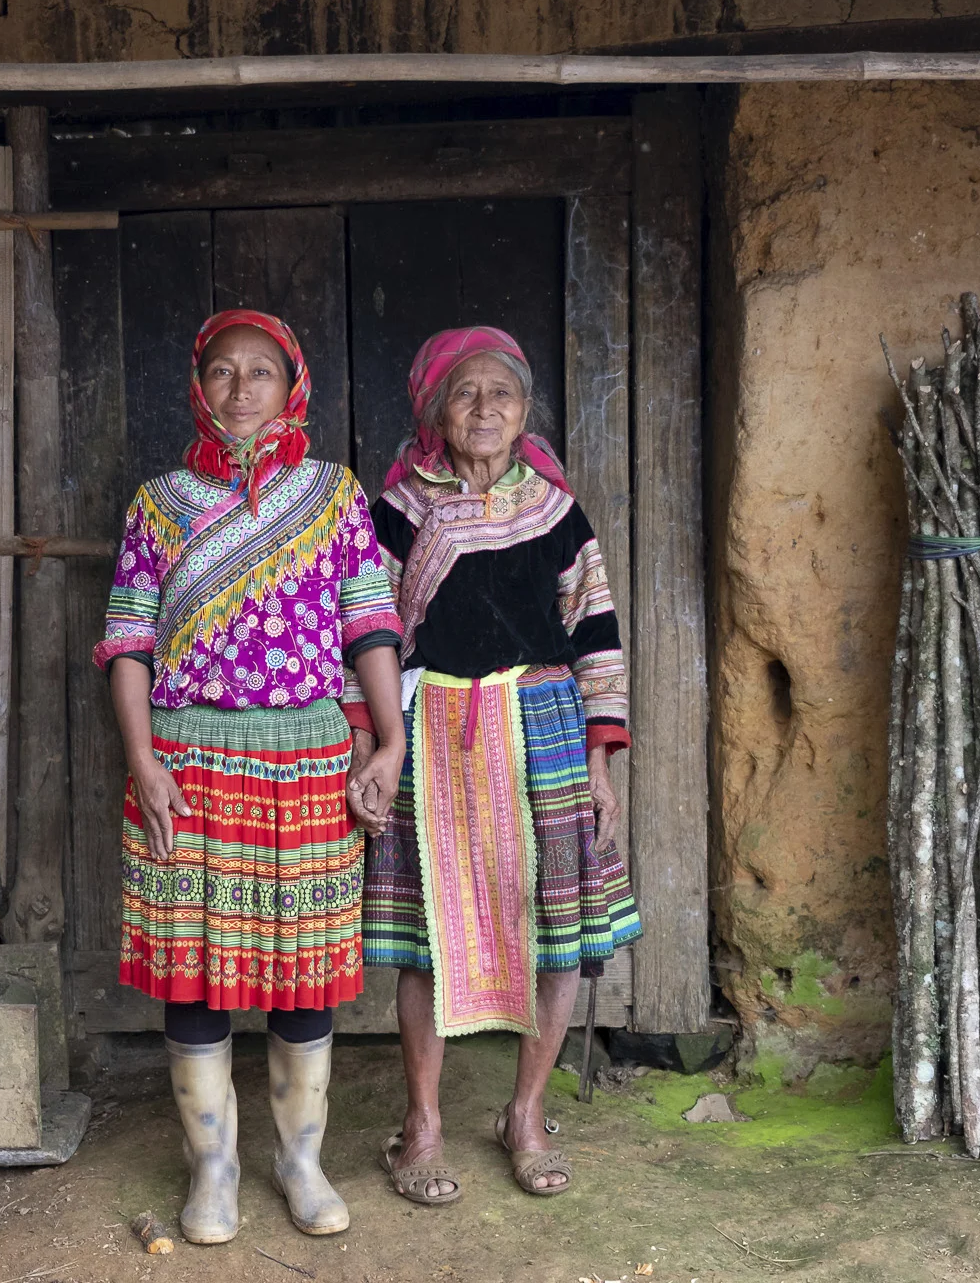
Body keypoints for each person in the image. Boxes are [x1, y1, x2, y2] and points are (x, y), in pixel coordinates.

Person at [96, 309, 406, 1244]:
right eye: (223, 372)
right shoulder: (160, 502)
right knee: (194, 977)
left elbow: (368, 623)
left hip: (310, 755)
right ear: (200, 386)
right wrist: (142, 757)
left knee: (300, 975)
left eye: (260, 371)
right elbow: (126, 639)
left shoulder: (332, 493)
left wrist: (386, 743)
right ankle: (214, 1172)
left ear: (291, 384)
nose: (241, 390)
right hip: (188, 760)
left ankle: (300, 1162)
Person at [343, 325, 642, 1205]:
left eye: (502, 394)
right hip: (429, 728)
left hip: (542, 724)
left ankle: (525, 1113)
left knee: (553, 928)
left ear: (523, 414)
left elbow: (597, 632)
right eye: (465, 393)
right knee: (425, 936)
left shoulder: (555, 510)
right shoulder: (397, 509)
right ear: (434, 409)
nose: (485, 408)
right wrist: (372, 742)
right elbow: (366, 631)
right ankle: (423, 1125)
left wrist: (600, 758)